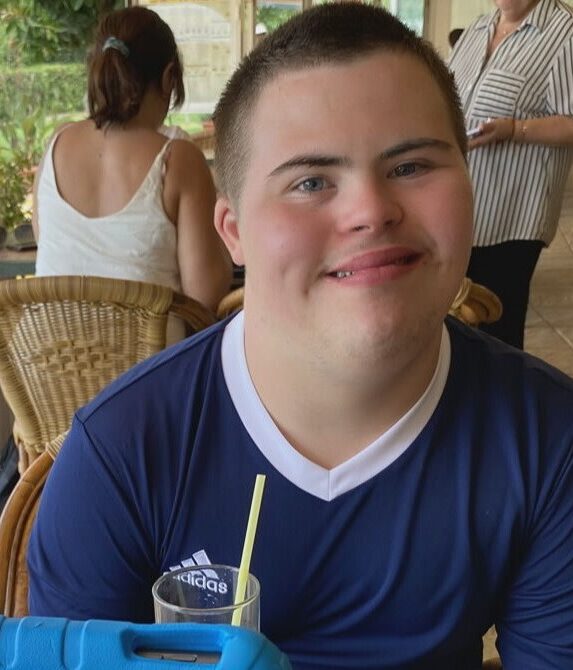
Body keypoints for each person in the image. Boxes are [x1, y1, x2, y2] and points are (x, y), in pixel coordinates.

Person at [28, 4, 573, 668]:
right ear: (233, 232)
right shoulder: (120, 452)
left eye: (411, 166)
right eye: (310, 181)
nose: (370, 211)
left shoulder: (549, 439)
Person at [32, 6, 232, 320]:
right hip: (147, 351)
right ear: (168, 78)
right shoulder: (177, 160)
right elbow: (204, 297)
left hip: (48, 348)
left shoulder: (56, 143)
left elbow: (49, 243)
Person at [448, 0, 573, 349]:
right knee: (454, 324)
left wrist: (515, 129)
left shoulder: (565, 32)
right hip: (458, 208)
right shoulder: (477, 29)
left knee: (496, 330)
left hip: (512, 218)